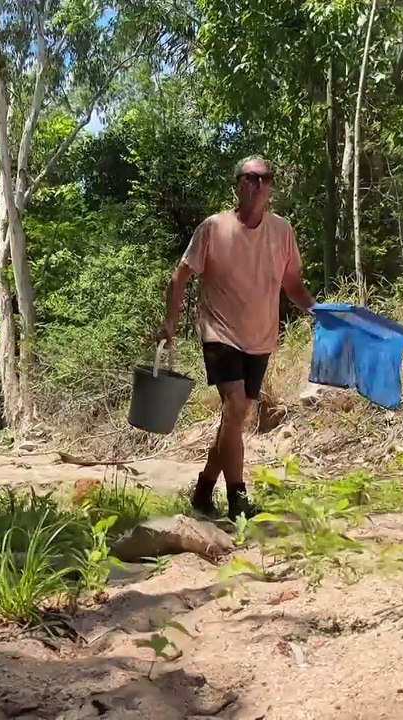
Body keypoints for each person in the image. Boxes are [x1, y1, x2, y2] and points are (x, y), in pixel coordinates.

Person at [157, 156, 316, 520]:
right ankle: (237, 498)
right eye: (251, 178)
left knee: (233, 418)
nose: (259, 185)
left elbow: (291, 283)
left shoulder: (282, 231)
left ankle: (202, 490)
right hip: (219, 331)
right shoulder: (213, 228)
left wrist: (317, 309)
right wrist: (171, 322)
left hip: (260, 337)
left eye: (266, 179)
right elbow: (179, 277)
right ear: (237, 185)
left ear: (272, 187)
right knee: (238, 408)